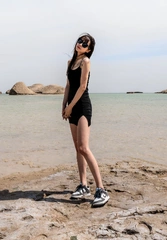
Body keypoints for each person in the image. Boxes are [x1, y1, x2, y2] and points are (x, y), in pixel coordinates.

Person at [62, 33, 109, 208]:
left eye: (85, 43)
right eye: (80, 41)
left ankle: (101, 189)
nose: (80, 44)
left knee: (83, 147)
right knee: (77, 148)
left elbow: (82, 87)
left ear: (89, 50)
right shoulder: (70, 62)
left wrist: (71, 107)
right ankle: (83, 186)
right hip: (71, 107)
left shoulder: (85, 62)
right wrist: (63, 105)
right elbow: (68, 86)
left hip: (82, 106)